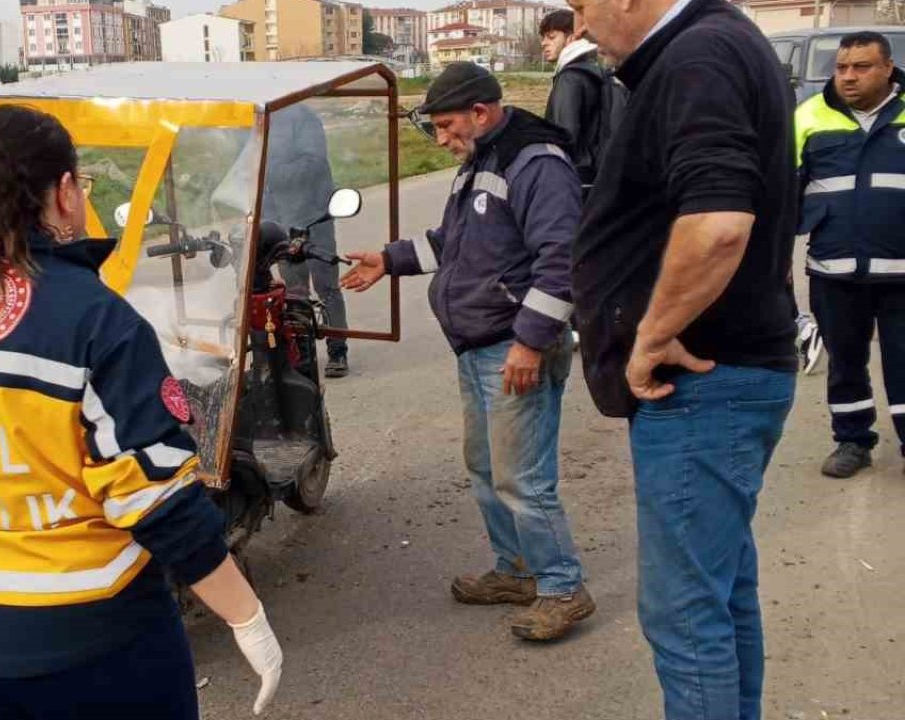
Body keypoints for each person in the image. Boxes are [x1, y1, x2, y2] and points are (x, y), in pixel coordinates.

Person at [0, 106, 282, 718]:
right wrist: (247, 617)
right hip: (95, 639)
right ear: (63, 194)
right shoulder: (96, 320)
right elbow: (154, 499)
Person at [570, 0, 798, 715]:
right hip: (730, 378)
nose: (578, 26)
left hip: (703, 384)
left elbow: (720, 223)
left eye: (581, 6)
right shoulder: (712, 46)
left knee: (684, 613)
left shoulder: (698, 56)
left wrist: (652, 334)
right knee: (721, 594)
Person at [341, 64, 593, 642]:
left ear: (481, 113)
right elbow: (455, 242)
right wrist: (390, 259)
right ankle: (517, 572)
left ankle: (563, 588)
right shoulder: (479, 163)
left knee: (523, 478)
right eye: (435, 129)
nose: (442, 139)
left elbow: (562, 262)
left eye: (448, 126)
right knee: (487, 471)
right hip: (479, 350)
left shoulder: (536, 164)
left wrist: (531, 342)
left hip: (513, 347)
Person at [795, 31, 905, 479]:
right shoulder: (809, 117)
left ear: (888, 69)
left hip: (902, 273)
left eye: (861, 67)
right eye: (842, 67)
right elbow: (784, 192)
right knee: (845, 362)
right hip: (833, 270)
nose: (848, 76)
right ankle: (852, 440)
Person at [265, 104, 351, 378]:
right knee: (293, 291)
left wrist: (270, 172)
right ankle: (301, 352)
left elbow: (313, 163)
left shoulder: (304, 118)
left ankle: (338, 349)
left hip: (316, 216)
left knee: (327, 287)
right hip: (282, 220)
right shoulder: (262, 117)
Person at [540, 9, 608, 186]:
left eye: (551, 37)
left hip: (575, 180)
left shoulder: (570, 78)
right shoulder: (593, 71)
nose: (543, 43)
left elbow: (565, 137)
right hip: (597, 175)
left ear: (572, 38)